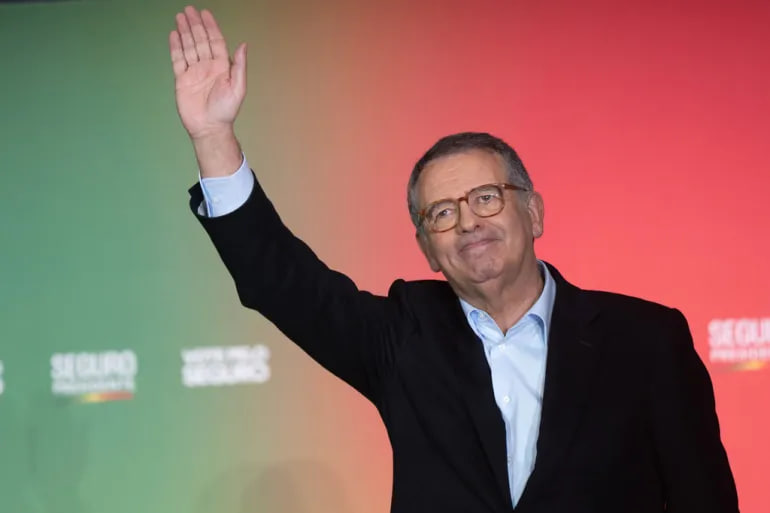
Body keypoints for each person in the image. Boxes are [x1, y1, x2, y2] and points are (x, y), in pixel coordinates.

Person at [169, 6, 739, 512]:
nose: (467, 222)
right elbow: (281, 282)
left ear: (534, 213)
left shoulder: (646, 340)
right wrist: (214, 135)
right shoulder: (403, 337)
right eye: (441, 212)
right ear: (427, 249)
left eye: (486, 198)